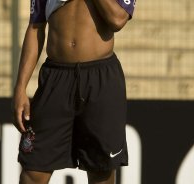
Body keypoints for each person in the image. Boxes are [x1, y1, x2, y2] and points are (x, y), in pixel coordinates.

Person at [12, 0, 135, 183]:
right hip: (55, 80)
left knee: (101, 171)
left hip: (100, 79)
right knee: (33, 171)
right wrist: (20, 88)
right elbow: (35, 26)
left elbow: (117, 19)